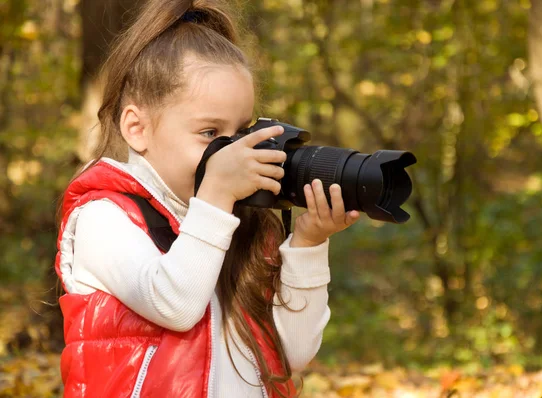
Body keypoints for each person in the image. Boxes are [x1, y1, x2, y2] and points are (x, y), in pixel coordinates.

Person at [54, 1, 361, 397]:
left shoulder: (233, 222)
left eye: (239, 132)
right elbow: (175, 305)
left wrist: (308, 243)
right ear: (136, 128)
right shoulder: (104, 217)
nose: (230, 152)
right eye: (209, 132)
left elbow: (290, 355)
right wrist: (216, 198)